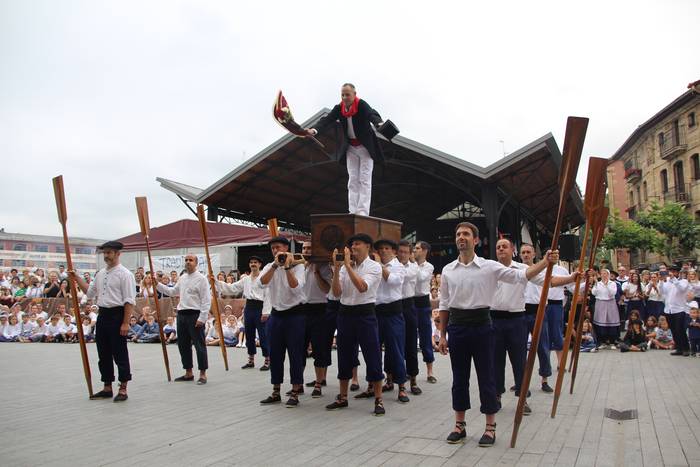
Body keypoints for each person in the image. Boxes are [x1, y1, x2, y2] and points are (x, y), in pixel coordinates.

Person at [437, 222, 558, 446]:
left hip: (483, 326)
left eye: (466, 234)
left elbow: (522, 276)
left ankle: (490, 427)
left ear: (475, 240)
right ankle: (459, 425)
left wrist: (544, 261)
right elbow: (444, 304)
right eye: (458, 234)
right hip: (457, 327)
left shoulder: (489, 267)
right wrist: (442, 335)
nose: (461, 237)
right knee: (459, 378)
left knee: (487, 377)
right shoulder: (447, 270)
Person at [491, 238, 576, 415]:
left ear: (512, 249)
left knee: (519, 361)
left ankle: (523, 398)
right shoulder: (489, 268)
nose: (501, 249)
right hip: (494, 320)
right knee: (495, 361)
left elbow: (549, 281)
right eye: (498, 247)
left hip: (516, 319)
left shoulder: (524, 269)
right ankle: (496, 395)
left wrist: (571, 278)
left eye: (504, 246)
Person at [325, 233, 385, 416]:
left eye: (357, 244)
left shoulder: (374, 267)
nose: (353, 247)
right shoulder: (344, 267)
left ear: (368, 246)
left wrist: (347, 267)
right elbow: (336, 293)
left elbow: (362, 287)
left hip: (365, 313)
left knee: (372, 354)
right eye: (351, 245)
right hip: (345, 313)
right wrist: (336, 269)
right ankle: (343, 397)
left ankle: (378, 398)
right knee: (344, 354)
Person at [70, 241, 136, 402]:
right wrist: (76, 278)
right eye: (104, 253)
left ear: (117, 254)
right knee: (103, 353)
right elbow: (90, 292)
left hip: (117, 315)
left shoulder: (125, 274)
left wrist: (126, 322)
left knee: (119, 353)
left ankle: (123, 388)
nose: (106, 255)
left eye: (109, 253)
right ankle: (107, 386)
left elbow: (129, 301)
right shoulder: (100, 274)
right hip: (103, 315)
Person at [306, 83, 384, 216]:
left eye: (347, 94)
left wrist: (379, 123)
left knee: (364, 179)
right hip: (351, 148)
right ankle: (352, 211)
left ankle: (363, 212)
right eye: (342, 94)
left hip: (365, 147)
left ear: (354, 94)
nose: (345, 97)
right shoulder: (339, 108)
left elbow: (372, 114)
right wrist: (314, 130)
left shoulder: (361, 105)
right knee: (352, 180)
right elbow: (327, 120)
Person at [258, 236, 307, 407]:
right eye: (272, 248)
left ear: (286, 247)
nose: (275, 251)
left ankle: (295, 391)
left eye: (278, 247)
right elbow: (261, 284)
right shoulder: (268, 267)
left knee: (295, 355)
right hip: (276, 315)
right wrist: (274, 266)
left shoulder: (299, 266)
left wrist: (286, 268)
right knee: (275, 355)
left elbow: (296, 287)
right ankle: (276, 390)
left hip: (295, 315)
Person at [156, 254, 211, 384]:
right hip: (182, 314)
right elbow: (172, 291)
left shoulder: (202, 279)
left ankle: (203, 373)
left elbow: (206, 300)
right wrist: (157, 284)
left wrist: (202, 317)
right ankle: (188, 372)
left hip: (195, 314)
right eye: (186, 260)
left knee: (199, 345)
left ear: (196, 263)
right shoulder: (182, 278)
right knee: (183, 345)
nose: (188, 262)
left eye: (190, 260)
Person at [213, 257, 270, 371]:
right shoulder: (246, 280)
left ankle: (267, 360)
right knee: (249, 334)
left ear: (260, 264)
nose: (253, 264)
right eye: (251, 262)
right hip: (249, 307)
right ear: (249, 265)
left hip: (260, 307)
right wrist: (216, 281)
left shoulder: (264, 278)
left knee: (263, 335)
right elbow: (232, 288)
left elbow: (268, 295)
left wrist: (266, 312)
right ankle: (251, 360)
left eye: (255, 263)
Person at [370, 238, 409, 403]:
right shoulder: (373, 267)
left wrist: (379, 266)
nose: (383, 251)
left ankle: (402, 387)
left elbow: (393, 281)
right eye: (381, 249)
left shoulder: (399, 266)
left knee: (396, 350)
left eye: (387, 248)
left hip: (393, 312)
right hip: (376, 311)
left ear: (394, 251)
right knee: (374, 350)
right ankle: (374, 384)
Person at [300, 241, 333, 398]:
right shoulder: (298, 267)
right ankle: (297, 383)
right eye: (304, 248)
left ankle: (319, 383)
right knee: (299, 349)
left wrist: (317, 272)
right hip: (301, 310)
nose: (306, 251)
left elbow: (327, 289)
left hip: (320, 309)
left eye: (309, 248)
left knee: (319, 349)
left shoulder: (324, 266)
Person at [397, 240, 422, 395]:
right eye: (400, 252)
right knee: (394, 345)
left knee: (411, 344)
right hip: (393, 306)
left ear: (410, 253)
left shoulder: (413, 268)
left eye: (406, 252)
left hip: (408, 305)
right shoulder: (390, 266)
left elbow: (402, 277)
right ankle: (391, 377)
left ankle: (413, 379)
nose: (403, 255)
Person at [413, 241, 436, 383]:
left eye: (417, 248)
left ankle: (430, 371)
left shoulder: (429, 266)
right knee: (408, 338)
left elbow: (420, 277)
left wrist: (411, 263)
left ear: (425, 251)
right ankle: (410, 370)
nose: (414, 251)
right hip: (409, 302)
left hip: (422, 303)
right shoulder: (408, 264)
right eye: (414, 248)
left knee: (425, 337)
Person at [661, 265, 692, 356]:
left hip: (679, 309)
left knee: (680, 330)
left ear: (678, 273)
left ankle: (686, 348)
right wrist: (661, 281)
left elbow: (682, 289)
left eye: (674, 271)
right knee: (674, 330)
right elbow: (662, 292)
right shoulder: (667, 282)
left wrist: (674, 279)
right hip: (669, 310)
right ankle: (679, 348)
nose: (671, 273)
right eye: (670, 271)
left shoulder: (683, 281)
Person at [591, 269, 620, 349]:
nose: (604, 275)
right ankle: (602, 342)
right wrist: (596, 284)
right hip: (600, 303)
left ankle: (612, 342)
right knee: (601, 322)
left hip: (610, 303)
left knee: (611, 321)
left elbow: (612, 293)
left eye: (605, 274)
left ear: (608, 274)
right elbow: (594, 293)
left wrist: (607, 285)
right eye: (602, 273)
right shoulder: (598, 283)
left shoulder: (612, 283)